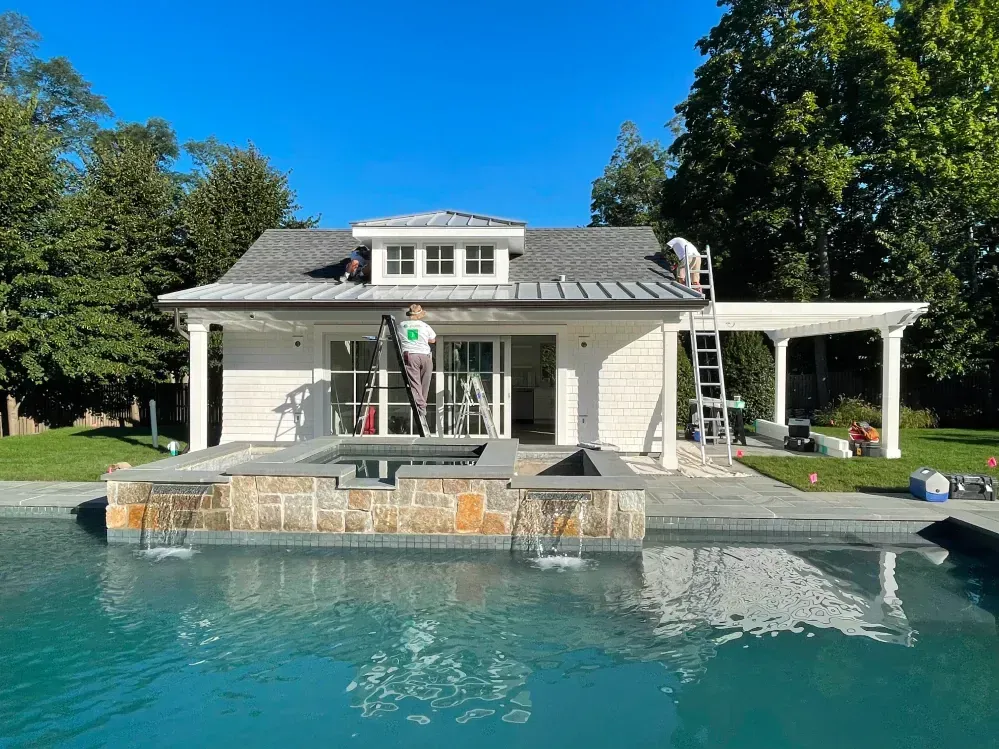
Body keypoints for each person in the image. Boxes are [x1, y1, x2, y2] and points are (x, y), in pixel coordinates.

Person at [398, 304, 437, 421]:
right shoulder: (425, 326)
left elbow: (398, 336)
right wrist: (422, 338)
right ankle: (422, 405)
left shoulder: (402, 325)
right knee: (425, 382)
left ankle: (421, 406)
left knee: (415, 383)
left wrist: (412, 338)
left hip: (411, 355)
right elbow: (433, 340)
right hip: (425, 356)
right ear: (420, 315)